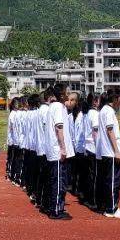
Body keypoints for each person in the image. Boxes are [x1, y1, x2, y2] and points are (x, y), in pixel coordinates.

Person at [44, 88, 75, 220]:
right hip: (57, 151)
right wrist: (63, 148)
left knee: (61, 181)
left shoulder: (58, 106)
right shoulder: (57, 107)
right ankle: (56, 210)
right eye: (67, 92)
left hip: (58, 151)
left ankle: (58, 207)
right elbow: (59, 127)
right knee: (58, 182)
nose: (68, 95)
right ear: (61, 94)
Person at [95, 91, 120, 219]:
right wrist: (116, 151)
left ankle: (108, 206)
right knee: (113, 181)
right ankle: (111, 209)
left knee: (109, 180)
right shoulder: (108, 111)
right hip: (111, 152)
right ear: (115, 98)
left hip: (107, 152)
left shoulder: (104, 110)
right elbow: (110, 130)